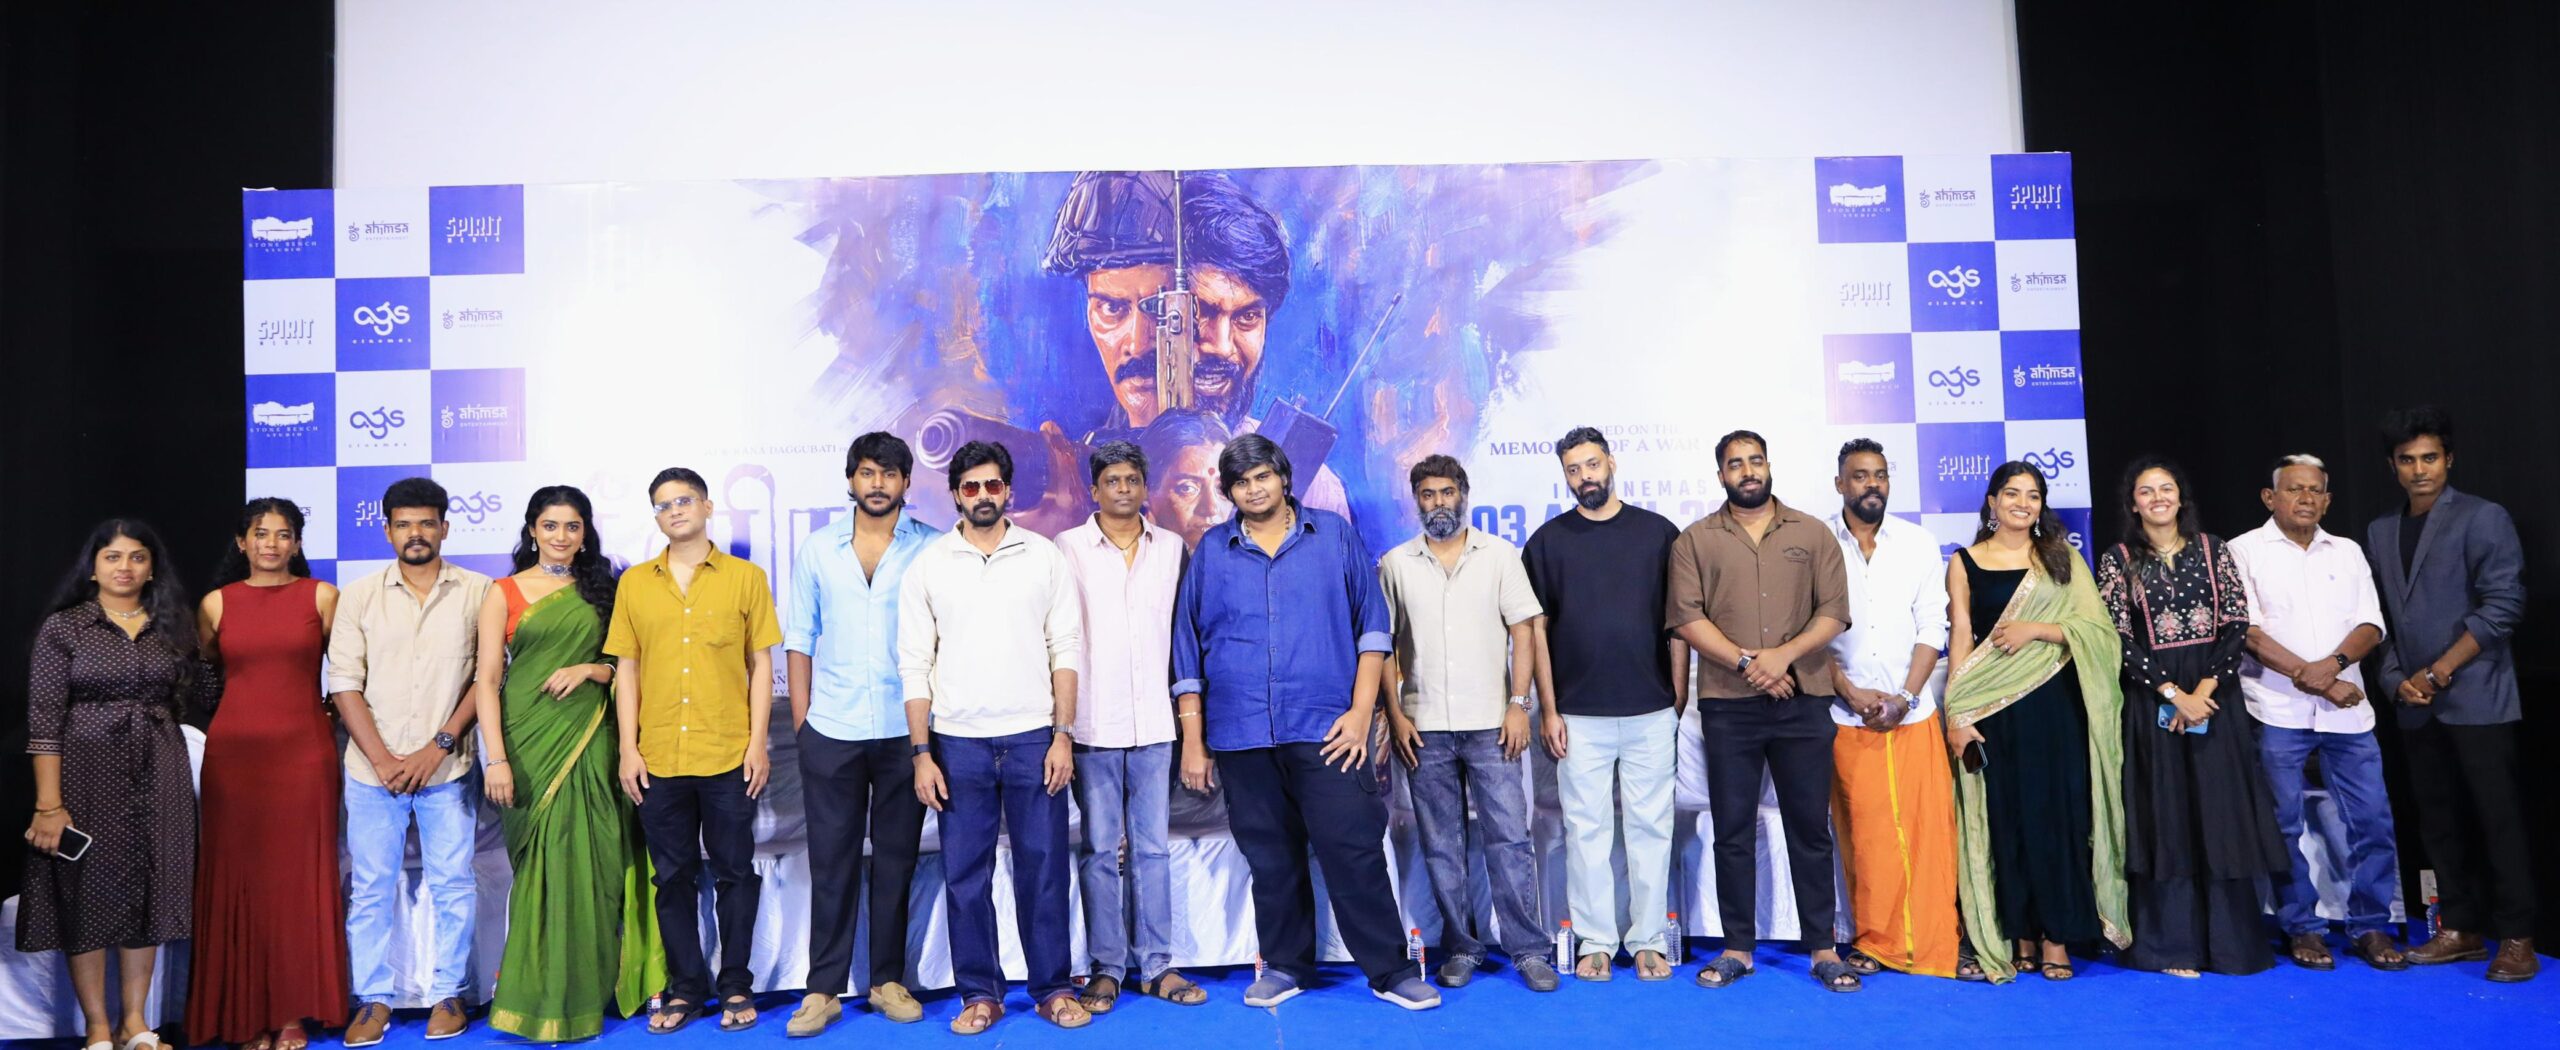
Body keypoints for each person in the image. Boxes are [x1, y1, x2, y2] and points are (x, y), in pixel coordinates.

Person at [1171, 434, 1438, 1010]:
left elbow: (1373, 629)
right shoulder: (1213, 551)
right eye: (1241, 482)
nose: (1253, 489)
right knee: (1270, 858)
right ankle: (1286, 967)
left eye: (1262, 476)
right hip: (1241, 732)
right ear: (1230, 492)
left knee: (1353, 850)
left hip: (1329, 731)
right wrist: (1193, 740)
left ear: (1284, 478)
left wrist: (1361, 714)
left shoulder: (1333, 535)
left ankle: (1390, 971)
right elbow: (1187, 648)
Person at [898, 441, 1089, 1034]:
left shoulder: (1043, 556)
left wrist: (1063, 735)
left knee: (1044, 869)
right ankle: (980, 994)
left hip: (1035, 739)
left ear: (1008, 490)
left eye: (992, 485)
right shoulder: (929, 564)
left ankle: (1053, 989)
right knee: (965, 876)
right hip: (957, 745)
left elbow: (1066, 648)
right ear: (955, 494)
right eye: (971, 487)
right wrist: (922, 753)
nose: (982, 495)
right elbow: (914, 664)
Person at [1666, 431, 1857, 992]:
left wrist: (1782, 657)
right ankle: (1738, 948)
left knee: (1809, 828)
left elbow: (1833, 613)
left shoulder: (1812, 533)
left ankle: (1823, 948)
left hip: (1804, 697)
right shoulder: (1695, 540)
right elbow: (1688, 619)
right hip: (1729, 704)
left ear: (1769, 466)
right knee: (1732, 830)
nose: (1747, 471)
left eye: (1755, 461)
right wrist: (1751, 663)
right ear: (1720, 475)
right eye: (1735, 464)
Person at [475, 486, 667, 1040]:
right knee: (542, 872)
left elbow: (626, 664)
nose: (561, 536)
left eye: (573, 526)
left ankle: (589, 994)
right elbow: (486, 681)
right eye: (551, 525)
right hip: (527, 746)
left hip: (594, 741)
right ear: (532, 530)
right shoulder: (503, 593)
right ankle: (538, 999)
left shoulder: (606, 588)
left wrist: (589, 670)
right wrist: (496, 759)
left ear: (585, 533)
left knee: (598, 867)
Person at [21, 520, 219, 1050]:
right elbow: (44, 720)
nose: (124, 567)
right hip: (85, 770)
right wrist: (49, 805)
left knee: (148, 890)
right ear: (93, 568)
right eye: (112, 557)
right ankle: (98, 1028)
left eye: (136, 557)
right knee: (86, 893)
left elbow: (208, 688)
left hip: (161, 770)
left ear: (152, 568)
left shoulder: (173, 625)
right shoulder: (65, 628)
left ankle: (135, 1023)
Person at [2096, 457, 2288, 977]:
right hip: (2152, 700)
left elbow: (2236, 623)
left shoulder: (2213, 549)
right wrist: (2171, 693)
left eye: (2166, 488)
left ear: (2181, 497)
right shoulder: (2117, 561)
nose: (2157, 497)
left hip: (2215, 700)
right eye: (2146, 490)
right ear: (2133, 503)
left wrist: (2202, 690)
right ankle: (2171, 947)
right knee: (2166, 816)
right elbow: (2117, 637)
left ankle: (2230, 947)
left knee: (2219, 815)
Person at [607, 467, 783, 1032]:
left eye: (684, 500)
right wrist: (628, 749)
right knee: (672, 878)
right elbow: (627, 669)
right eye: (663, 505)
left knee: (735, 874)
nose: (675, 510)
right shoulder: (636, 583)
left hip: (729, 752)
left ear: (707, 507)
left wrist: (758, 743)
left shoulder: (746, 578)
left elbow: (761, 665)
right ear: (656, 517)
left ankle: (735, 985)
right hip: (658, 756)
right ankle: (685, 989)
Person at [2364, 406, 2533, 981]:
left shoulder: (2484, 518)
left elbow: (2503, 606)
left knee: (2497, 820)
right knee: (2437, 821)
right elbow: (2382, 619)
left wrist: (2437, 673)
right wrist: (2396, 681)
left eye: (2429, 457)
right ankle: (2459, 928)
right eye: (2407, 460)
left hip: (2478, 699)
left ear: (2449, 459)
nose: (2419, 470)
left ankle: (2517, 936)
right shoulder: (2380, 530)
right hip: (2414, 705)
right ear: (2393, 466)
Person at [1943, 462, 2128, 983]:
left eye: (2033, 495)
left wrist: (2037, 630)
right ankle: (2019, 932)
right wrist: (1956, 713)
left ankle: (2056, 937)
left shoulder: (2061, 558)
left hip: (2054, 708)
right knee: (2007, 820)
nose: (2022, 503)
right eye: (2012, 493)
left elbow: (2099, 632)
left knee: (2057, 818)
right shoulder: (1964, 561)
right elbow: (1961, 636)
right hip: (1991, 709)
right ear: (1992, 501)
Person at [1378, 455, 1557, 991]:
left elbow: (1523, 630)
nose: (1439, 502)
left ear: (1463, 494)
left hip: (1492, 724)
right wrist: (1396, 714)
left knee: (1509, 839)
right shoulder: (1396, 563)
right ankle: (1461, 946)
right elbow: (1384, 645)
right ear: (1416, 500)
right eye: (1428, 494)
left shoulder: (1499, 555)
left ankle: (1529, 950)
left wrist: (1518, 704)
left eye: (1447, 492)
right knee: (1441, 845)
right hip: (1424, 725)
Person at [783, 433, 938, 1035]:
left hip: (906, 729)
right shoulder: (818, 549)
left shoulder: (932, 547)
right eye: (868, 472)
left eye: (890, 473)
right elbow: (800, 638)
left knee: (897, 860)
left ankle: (886, 982)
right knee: (832, 863)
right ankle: (822, 990)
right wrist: (804, 726)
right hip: (833, 728)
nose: (878, 483)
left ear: (906, 483)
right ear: (851, 480)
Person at [329, 478, 492, 1045]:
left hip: (448, 766)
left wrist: (436, 746)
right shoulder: (359, 595)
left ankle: (449, 993)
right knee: (371, 887)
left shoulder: (478, 591)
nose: (415, 533)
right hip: (371, 771)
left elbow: (486, 679)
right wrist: (382, 760)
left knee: (453, 884)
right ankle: (372, 999)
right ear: (387, 530)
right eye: (403, 524)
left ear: (445, 527)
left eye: (426, 523)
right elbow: (344, 683)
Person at [2229, 454, 2404, 972]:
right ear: (2270, 497)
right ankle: (2301, 926)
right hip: (2276, 711)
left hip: (2348, 716)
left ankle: (2370, 924)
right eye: (2294, 489)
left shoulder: (2347, 551)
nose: (2305, 498)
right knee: (2283, 828)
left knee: (2372, 822)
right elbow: (2248, 632)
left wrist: (2332, 669)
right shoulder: (2243, 550)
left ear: (2327, 500)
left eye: (2315, 491)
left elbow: (2371, 624)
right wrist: (2319, 679)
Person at [1522, 426, 1684, 983]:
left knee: (1651, 829)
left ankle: (1648, 940)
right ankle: (1595, 941)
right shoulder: (1547, 543)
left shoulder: (1658, 534)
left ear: (1611, 463)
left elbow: (1680, 623)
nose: (1584, 476)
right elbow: (1537, 633)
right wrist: (1548, 709)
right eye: (1573, 469)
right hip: (1577, 715)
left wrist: (1677, 696)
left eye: (1592, 464)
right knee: (1586, 831)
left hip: (1650, 709)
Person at [189, 498, 349, 1050]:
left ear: (297, 543)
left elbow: (348, 672)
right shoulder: (216, 603)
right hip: (234, 760)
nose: (272, 544)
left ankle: (291, 1013)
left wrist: (325, 712)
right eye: (261, 534)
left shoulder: (322, 596)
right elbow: (208, 672)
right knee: (239, 879)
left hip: (304, 756)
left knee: (295, 882)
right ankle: (244, 1014)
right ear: (242, 542)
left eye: (283, 534)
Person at [1057, 441, 1208, 1011]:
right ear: (1093, 490)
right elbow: (1058, 638)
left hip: (1155, 724)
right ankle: (1106, 968)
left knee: (1151, 849)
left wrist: (1191, 728)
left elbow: (1185, 638)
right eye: (1112, 481)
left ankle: (1158, 965)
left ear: (1145, 488)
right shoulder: (1066, 548)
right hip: (1091, 724)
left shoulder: (1170, 549)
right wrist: (1061, 726)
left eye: (1132, 480)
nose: (1123, 489)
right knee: (1099, 849)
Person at [1821, 440, 1964, 980]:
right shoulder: (1816, 542)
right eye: (1860, 476)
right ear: (1840, 484)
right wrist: (1848, 691)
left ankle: (1933, 943)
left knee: (1927, 834)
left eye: (1880, 475)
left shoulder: (1918, 542)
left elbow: (1933, 624)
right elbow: (1808, 631)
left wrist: (1905, 697)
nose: (1872, 484)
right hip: (1847, 715)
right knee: (1867, 836)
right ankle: (1874, 942)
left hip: (1913, 712)